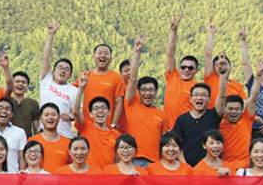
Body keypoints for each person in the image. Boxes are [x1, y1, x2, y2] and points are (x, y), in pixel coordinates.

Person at [124, 36, 167, 165]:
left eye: (151, 90)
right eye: (144, 90)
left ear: (156, 92)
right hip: (132, 161)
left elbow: (164, 141)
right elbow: (132, 79)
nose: (147, 93)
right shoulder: (131, 104)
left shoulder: (161, 114)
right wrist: (137, 53)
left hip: (154, 163)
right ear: (138, 91)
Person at [216, 59, 263, 169]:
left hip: (244, 166)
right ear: (225, 109)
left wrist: (258, 77)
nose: (233, 111)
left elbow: (253, 98)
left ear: (242, 110)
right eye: (230, 109)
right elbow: (222, 95)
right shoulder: (220, 120)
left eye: (237, 109)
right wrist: (223, 76)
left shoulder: (246, 118)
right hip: (224, 167)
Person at [39, 20, 80, 138]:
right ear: (53, 71)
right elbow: (46, 58)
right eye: (60, 68)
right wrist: (51, 35)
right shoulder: (46, 81)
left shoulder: (74, 91)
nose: (62, 71)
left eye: (66, 69)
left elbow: (78, 113)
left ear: (70, 75)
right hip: (44, 133)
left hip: (64, 135)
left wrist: (71, 117)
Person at [172, 81, 224, 166]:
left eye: (203, 95)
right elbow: (176, 145)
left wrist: (223, 77)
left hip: (210, 167)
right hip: (187, 168)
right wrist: (185, 165)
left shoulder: (214, 115)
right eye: (196, 95)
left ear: (209, 99)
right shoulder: (181, 119)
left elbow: (222, 96)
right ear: (190, 99)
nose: (199, 98)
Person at [163, 14, 201, 129]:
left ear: (196, 70)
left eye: (190, 68)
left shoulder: (197, 88)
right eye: (183, 67)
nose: (186, 70)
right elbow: (170, 54)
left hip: (186, 130)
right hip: (167, 129)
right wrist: (173, 32)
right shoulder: (172, 76)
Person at [72, 84, 121, 170]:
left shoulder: (116, 135)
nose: (100, 110)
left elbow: (118, 160)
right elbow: (76, 112)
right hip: (88, 174)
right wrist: (81, 88)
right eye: (96, 108)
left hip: (107, 175)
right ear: (91, 114)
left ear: (109, 112)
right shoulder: (85, 127)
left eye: (103, 108)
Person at [203, 24, 252, 101]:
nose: (222, 66)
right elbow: (208, 55)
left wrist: (243, 41)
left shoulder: (237, 85)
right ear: (213, 69)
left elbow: (243, 102)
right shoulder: (210, 77)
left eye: (224, 63)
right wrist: (211, 34)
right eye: (218, 65)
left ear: (230, 67)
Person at [28, 103, 71, 172]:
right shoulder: (32, 141)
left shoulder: (68, 143)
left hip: (61, 179)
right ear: (40, 119)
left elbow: (72, 168)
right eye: (46, 115)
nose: (50, 117)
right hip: (38, 178)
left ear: (59, 118)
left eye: (53, 115)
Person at [9, 70, 40, 137]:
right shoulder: (6, 101)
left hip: (27, 140)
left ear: (27, 86)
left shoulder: (33, 103)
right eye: (17, 82)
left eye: (23, 82)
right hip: (8, 140)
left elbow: (36, 127)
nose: (20, 84)